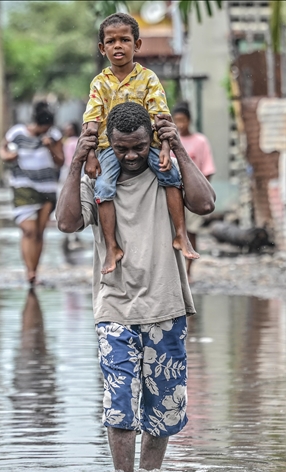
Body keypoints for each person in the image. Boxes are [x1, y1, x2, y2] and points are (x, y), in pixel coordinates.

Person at [56, 101, 215, 472]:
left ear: (150, 141)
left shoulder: (167, 174)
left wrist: (176, 147)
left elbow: (206, 203)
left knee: (163, 408)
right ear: (110, 143)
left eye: (139, 147)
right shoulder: (97, 182)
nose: (130, 155)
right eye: (123, 147)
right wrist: (77, 161)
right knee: (119, 406)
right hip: (114, 308)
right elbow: (65, 222)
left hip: (166, 306)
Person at [82, 12, 198, 276]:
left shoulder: (149, 79)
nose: (118, 46)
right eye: (111, 42)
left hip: (150, 143)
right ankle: (112, 246)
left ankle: (181, 233)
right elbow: (91, 121)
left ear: (137, 45)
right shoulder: (100, 83)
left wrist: (166, 150)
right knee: (103, 187)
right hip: (110, 148)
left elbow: (161, 116)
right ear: (103, 48)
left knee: (171, 175)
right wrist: (90, 155)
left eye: (125, 40)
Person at [0, 101, 64, 285]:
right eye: (43, 128)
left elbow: (60, 161)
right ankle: (29, 271)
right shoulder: (17, 133)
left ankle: (34, 272)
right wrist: (8, 156)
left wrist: (50, 147)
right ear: (37, 123)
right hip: (23, 185)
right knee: (29, 230)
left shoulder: (54, 136)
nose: (45, 131)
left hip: (47, 187)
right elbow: (3, 149)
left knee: (40, 232)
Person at [172, 102, 216, 279]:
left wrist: (202, 194)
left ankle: (188, 268)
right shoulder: (169, 140)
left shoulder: (200, 141)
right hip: (173, 192)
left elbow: (208, 169)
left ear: (189, 121)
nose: (180, 125)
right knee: (174, 230)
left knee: (191, 231)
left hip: (193, 193)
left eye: (183, 120)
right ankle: (177, 269)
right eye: (177, 121)